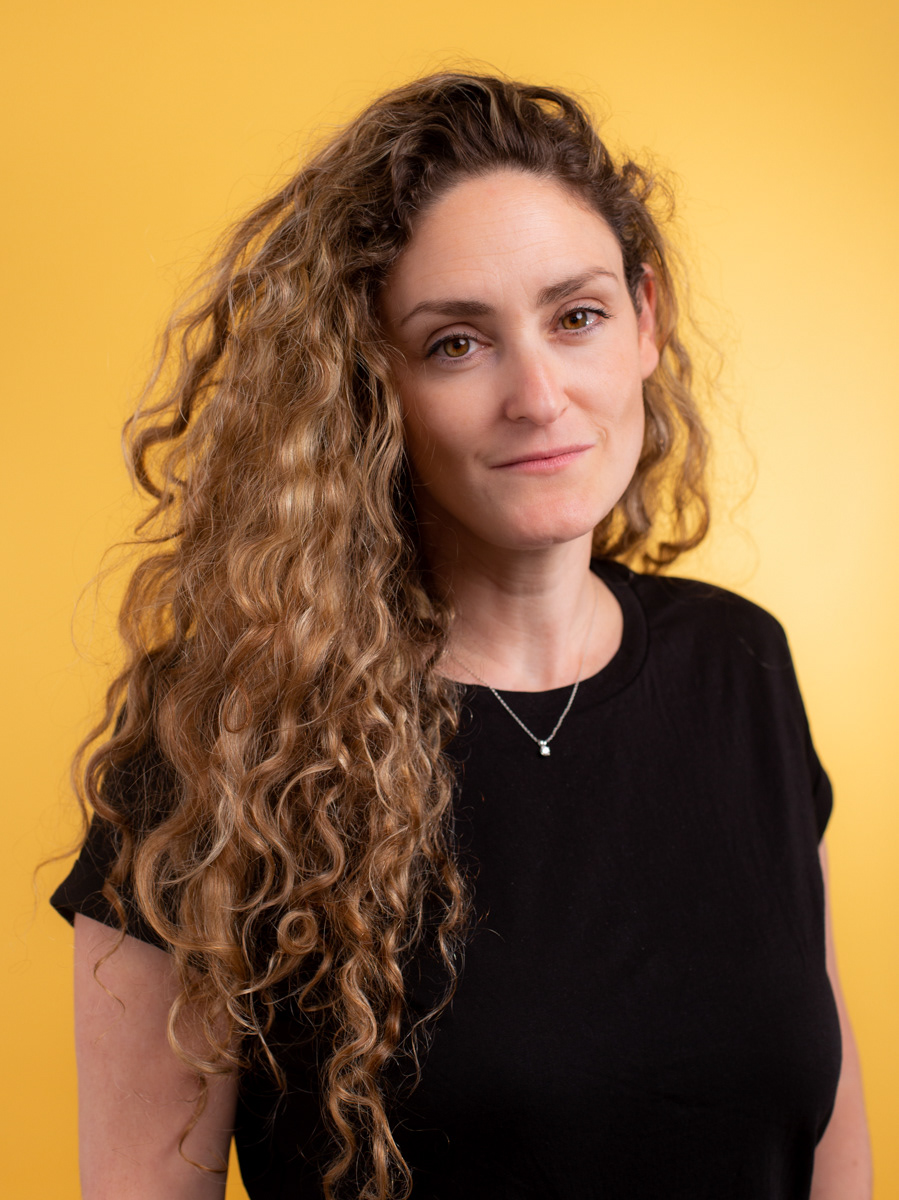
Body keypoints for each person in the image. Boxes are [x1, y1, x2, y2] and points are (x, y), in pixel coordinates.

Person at [52, 72, 871, 1199]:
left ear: (644, 319)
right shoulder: (223, 737)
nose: (537, 395)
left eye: (575, 317)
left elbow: (832, 1153)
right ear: (370, 382)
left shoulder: (741, 664)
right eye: (455, 344)